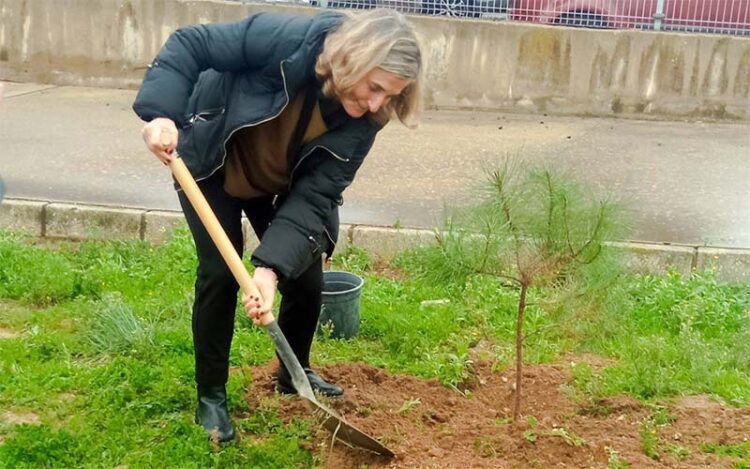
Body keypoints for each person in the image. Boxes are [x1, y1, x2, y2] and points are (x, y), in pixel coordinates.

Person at [134, 8, 422, 442]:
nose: (378, 104)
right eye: (375, 87)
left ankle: (293, 372)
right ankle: (211, 395)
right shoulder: (288, 39)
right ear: (354, 59)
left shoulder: (369, 118)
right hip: (215, 160)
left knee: (304, 275)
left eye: (392, 96)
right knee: (218, 273)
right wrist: (161, 114)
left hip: (282, 181)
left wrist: (268, 271)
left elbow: (316, 196)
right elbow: (193, 43)